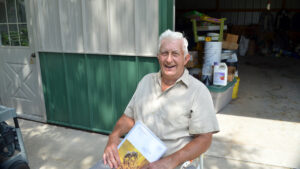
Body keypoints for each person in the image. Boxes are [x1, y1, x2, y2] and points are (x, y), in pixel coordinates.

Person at [93, 29, 219, 169]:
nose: (169, 59)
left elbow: (205, 139)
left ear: (186, 59)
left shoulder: (198, 91)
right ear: (158, 57)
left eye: (175, 54)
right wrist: (114, 137)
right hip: (136, 156)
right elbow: (129, 118)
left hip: (176, 162)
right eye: (164, 53)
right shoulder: (146, 81)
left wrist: (171, 161)